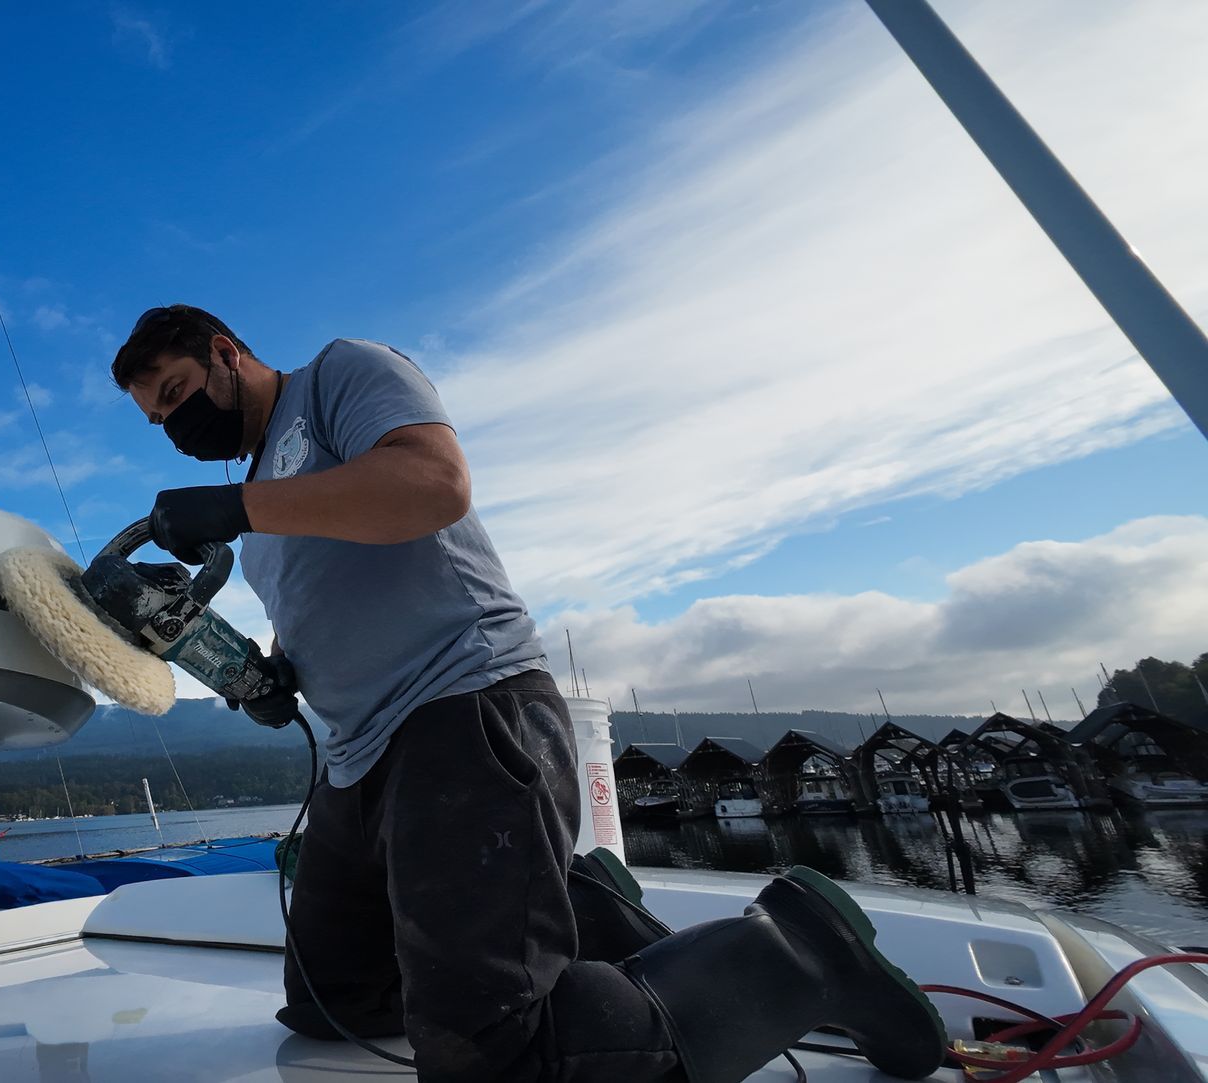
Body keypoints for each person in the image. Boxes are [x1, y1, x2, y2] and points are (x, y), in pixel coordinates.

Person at [111, 304, 945, 1082]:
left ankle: (799, 952)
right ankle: (582, 908)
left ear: (225, 352)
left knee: (491, 1051)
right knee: (332, 1002)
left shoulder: (339, 376)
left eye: (177, 395)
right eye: (157, 420)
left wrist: (239, 505)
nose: (175, 426)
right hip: (357, 761)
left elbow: (433, 484)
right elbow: (322, 606)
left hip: (464, 706)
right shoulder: (261, 511)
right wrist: (268, 674)